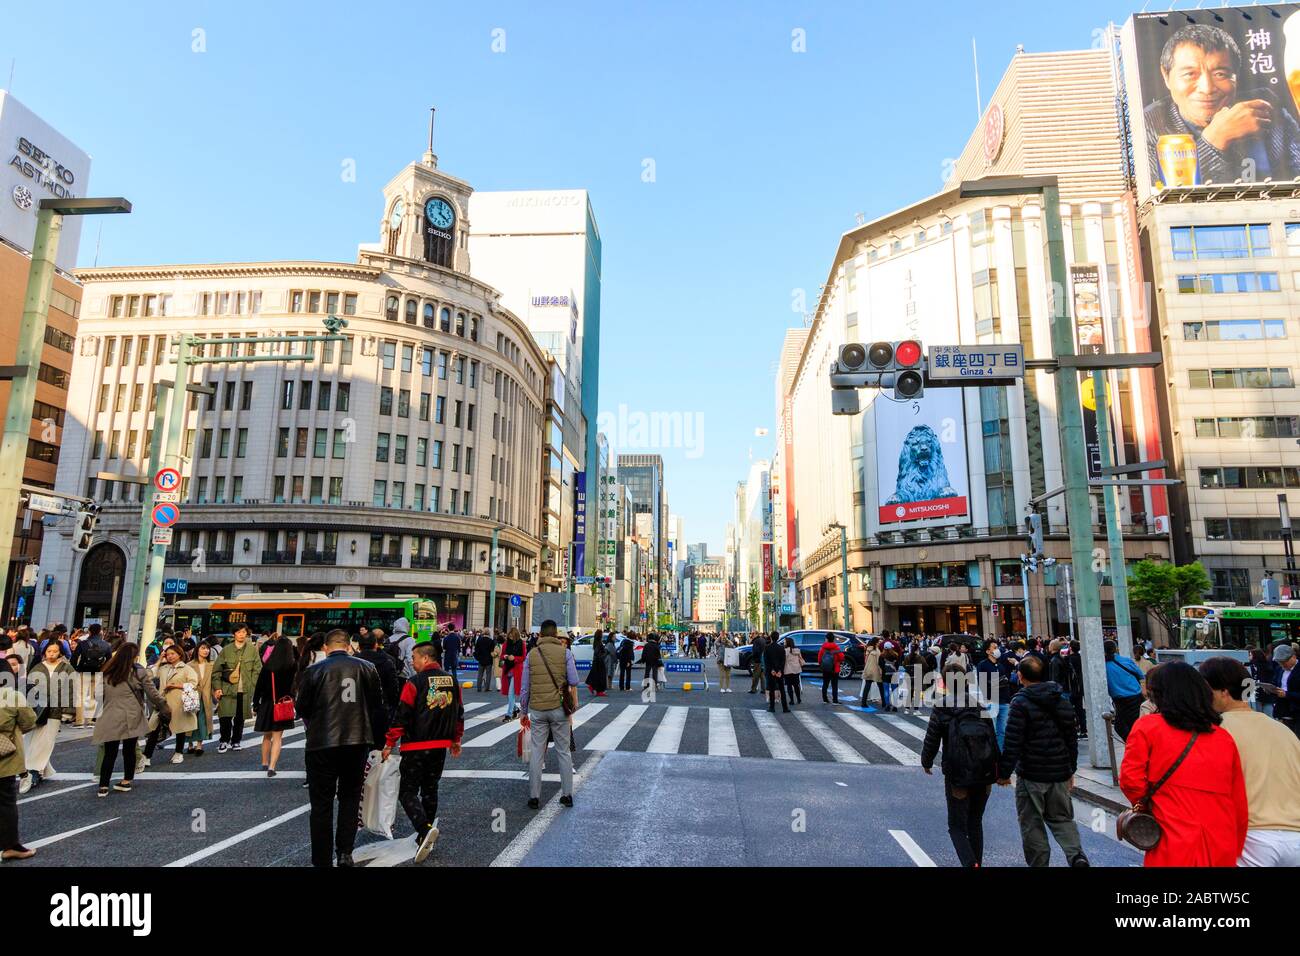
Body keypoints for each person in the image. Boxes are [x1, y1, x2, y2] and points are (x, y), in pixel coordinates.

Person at [1119, 661, 1247, 867]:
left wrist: (1146, 805)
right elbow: (1238, 800)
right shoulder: (1223, 738)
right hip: (1221, 838)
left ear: (1160, 694)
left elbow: (1130, 780)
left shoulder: (1148, 726)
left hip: (1172, 834)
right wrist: (1236, 845)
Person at [1143, 23, 1300, 190]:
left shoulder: (1265, 105)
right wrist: (1214, 140)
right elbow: (1166, 199)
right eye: (1190, 74)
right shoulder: (1150, 125)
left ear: (1236, 76)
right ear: (1166, 76)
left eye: (1220, 74)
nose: (1207, 88)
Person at [294, 629, 388, 868]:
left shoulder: (313, 671)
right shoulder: (366, 668)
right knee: (349, 797)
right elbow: (377, 705)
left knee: (321, 803)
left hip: (321, 742)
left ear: (326, 647)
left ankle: (322, 859)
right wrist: (378, 741)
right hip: (356, 740)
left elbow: (302, 708)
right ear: (349, 646)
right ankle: (345, 852)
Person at [1199, 657, 1300, 866]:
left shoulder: (1216, 732)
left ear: (1223, 691)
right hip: (1295, 835)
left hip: (1252, 838)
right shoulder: (1282, 730)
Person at [997, 654, 1089, 867]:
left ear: (1020, 676)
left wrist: (1003, 774)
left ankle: (1040, 864)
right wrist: (1070, 770)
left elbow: (1013, 742)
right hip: (1059, 773)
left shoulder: (1020, 703)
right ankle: (1076, 856)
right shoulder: (1061, 700)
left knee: (1032, 824)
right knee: (1062, 819)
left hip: (1032, 774)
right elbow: (1071, 739)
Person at [382, 642, 464, 863]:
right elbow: (458, 712)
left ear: (426, 658)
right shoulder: (452, 680)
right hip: (440, 745)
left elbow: (402, 714)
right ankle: (425, 835)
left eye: (415, 657)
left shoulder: (414, 682)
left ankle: (424, 828)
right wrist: (456, 739)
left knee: (407, 791)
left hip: (416, 745)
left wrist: (390, 742)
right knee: (430, 788)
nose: (411, 661)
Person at [921, 664, 1000, 867]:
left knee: (956, 825)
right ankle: (977, 863)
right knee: (975, 822)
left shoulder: (942, 706)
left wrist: (927, 762)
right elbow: (991, 737)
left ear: (945, 683)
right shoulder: (979, 705)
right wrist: (1000, 769)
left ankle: (969, 863)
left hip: (957, 772)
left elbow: (932, 739)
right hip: (983, 771)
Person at [93, 642, 170, 798]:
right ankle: (126, 781)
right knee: (129, 749)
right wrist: (164, 706)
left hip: (110, 714)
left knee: (110, 752)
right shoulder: (137, 672)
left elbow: (97, 696)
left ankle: (103, 786)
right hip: (131, 714)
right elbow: (152, 693)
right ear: (134, 656)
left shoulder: (106, 671)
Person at [520, 620, 578, 810]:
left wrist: (523, 710)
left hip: (537, 709)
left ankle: (534, 797)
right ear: (555, 635)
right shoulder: (565, 653)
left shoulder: (531, 654)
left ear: (540, 635)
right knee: (563, 751)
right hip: (559, 708)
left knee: (537, 751)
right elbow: (574, 680)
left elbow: (525, 687)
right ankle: (567, 795)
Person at [20, 639, 75, 791]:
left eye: (55, 651)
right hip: (37, 710)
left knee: (46, 740)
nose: (52, 654)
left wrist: (68, 712)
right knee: (36, 740)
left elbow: (71, 690)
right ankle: (42, 769)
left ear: (61, 652)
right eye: (49, 651)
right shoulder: (37, 667)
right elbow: (29, 690)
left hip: (55, 710)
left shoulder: (67, 668)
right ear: (44, 651)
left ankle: (33, 770)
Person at [0, 673, 36, 861]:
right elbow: (29, 721)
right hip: (5, 754)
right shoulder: (12, 696)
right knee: (5, 801)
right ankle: (10, 845)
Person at [142, 644, 198, 767]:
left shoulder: (186, 668)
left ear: (179, 654)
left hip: (179, 703)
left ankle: (178, 752)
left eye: (173, 654)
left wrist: (176, 686)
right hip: (163, 703)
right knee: (154, 729)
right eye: (168, 654)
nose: (170, 656)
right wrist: (159, 660)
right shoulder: (163, 668)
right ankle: (147, 755)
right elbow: (149, 675)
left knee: (180, 729)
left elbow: (193, 684)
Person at [253, 634, 298, 777]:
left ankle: (264, 763)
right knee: (278, 737)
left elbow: (259, 686)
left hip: (267, 703)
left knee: (267, 736)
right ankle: (272, 767)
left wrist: (255, 703)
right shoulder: (292, 666)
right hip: (283, 704)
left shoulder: (268, 666)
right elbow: (295, 687)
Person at [69, 622, 110, 728]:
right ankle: (90, 720)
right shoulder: (106, 645)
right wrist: (103, 670)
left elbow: (73, 659)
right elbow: (109, 660)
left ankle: (79, 721)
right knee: (92, 696)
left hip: (83, 671)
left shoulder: (83, 644)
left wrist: (77, 669)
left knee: (80, 696)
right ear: (100, 631)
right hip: (98, 673)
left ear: (90, 631)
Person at [1104, 640, 1146, 741]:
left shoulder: (1102, 666)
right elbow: (1140, 675)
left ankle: (1135, 745)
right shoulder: (1126, 661)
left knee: (1121, 726)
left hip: (1120, 701)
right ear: (1116, 649)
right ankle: (1137, 746)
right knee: (1136, 725)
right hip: (1136, 698)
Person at [975, 639, 1011, 750]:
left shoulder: (1001, 666)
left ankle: (1000, 755)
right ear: (987, 651)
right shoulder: (983, 665)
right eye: (994, 647)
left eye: (997, 647)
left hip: (1004, 701)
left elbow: (1006, 681)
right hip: (990, 701)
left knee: (1002, 731)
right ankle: (990, 756)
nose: (997, 649)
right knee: (991, 730)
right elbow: (983, 685)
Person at [357, 631, 401, 719]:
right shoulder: (388, 662)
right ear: (375, 645)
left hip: (358, 708)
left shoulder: (354, 662)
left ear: (359, 646)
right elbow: (393, 688)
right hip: (381, 707)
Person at [1263, 643, 1299, 737]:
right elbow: (1275, 683)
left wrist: (1287, 694)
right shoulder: (1280, 669)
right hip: (1283, 711)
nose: (1282, 664)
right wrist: (1270, 689)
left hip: (1297, 711)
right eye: (1279, 662)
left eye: (1284, 661)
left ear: (1294, 657)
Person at [188, 641, 215, 755]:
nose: (206, 650)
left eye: (208, 648)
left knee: (203, 720)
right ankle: (189, 744)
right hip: (192, 697)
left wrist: (216, 695)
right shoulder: (189, 665)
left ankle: (199, 745)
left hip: (206, 697)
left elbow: (214, 681)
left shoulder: (212, 665)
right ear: (197, 650)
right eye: (203, 648)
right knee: (190, 720)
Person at [499, 627, 526, 721]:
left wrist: (515, 658)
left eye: (512, 636)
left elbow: (523, 657)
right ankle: (516, 709)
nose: (510, 638)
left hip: (517, 670)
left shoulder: (521, 644)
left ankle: (509, 714)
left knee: (511, 693)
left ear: (516, 636)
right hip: (507, 669)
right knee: (508, 693)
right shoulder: (506, 644)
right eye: (509, 636)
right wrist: (506, 656)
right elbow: (502, 655)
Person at [765, 632, 788, 713]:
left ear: (771, 637)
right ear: (778, 638)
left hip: (771, 672)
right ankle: (785, 708)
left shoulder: (767, 648)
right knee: (782, 689)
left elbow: (766, 661)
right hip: (779, 672)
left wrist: (772, 670)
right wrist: (780, 671)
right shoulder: (781, 648)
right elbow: (783, 661)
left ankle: (772, 707)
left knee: (771, 690)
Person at [816, 635, 843, 704]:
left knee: (825, 684)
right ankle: (835, 700)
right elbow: (841, 657)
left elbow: (819, 658)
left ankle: (825, 699)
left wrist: (822, 664)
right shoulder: (836, 647)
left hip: (825, 668)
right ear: (833, 639)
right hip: (835, 668)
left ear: (827, 639)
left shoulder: (823, 648)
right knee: (834, 685)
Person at [861, 638, 883, 710]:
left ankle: (863, 702)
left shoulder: (868, 649)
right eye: (878, 642)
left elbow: (865, 660)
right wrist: (881, 670)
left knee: (867, 686)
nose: (879, 643)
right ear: (876, 643)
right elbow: (878, 662)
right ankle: (884, 702)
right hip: (875, 670)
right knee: (880, 686)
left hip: (868, 669)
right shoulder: (877, 651)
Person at [586, 629, 609, 697]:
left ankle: (593, 687)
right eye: (602, 634)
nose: (603, 635)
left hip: (597, 662)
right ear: (600, 635)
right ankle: (599, 691)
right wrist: (606, 652)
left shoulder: (596, 642)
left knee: (596, 676)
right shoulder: (599, 643)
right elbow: (599, 654)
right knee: (601, 676)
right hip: (599, 662)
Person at [782, 636, 803, 706]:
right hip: (796, 669)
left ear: (787, 643)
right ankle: (799, 698)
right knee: (796, 685)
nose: (784, 643)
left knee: (789, 686)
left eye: (785, 642)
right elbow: (800, 658)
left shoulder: (785, 651)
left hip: (788, 670)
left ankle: (791, 700)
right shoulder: (797, 650)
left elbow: (783, 661)